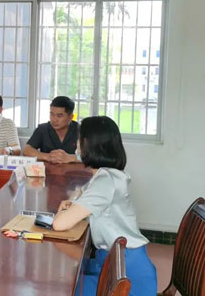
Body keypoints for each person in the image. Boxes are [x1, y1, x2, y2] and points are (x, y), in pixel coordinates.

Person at [51, 116, 156, 296]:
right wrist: (73, 203)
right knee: (70, 279)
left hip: (126, 276)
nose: (76, 144)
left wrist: (66, 209)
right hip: (116, 261)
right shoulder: (106, 175)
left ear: (89, 144)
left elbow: (59, 224)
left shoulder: (105, 182)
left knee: (65, 286)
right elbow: (79, 193)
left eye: (80, 140)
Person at [24, 96, 79, 164]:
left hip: (74, 170)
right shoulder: (42, 129)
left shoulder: (81, 131)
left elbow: (91, 156)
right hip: (47, 170)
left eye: (59, 116)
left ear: (71, 117)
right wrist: (48, 156)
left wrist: (72, 158)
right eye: (51, 114)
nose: (54, 119)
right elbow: (27, 150)